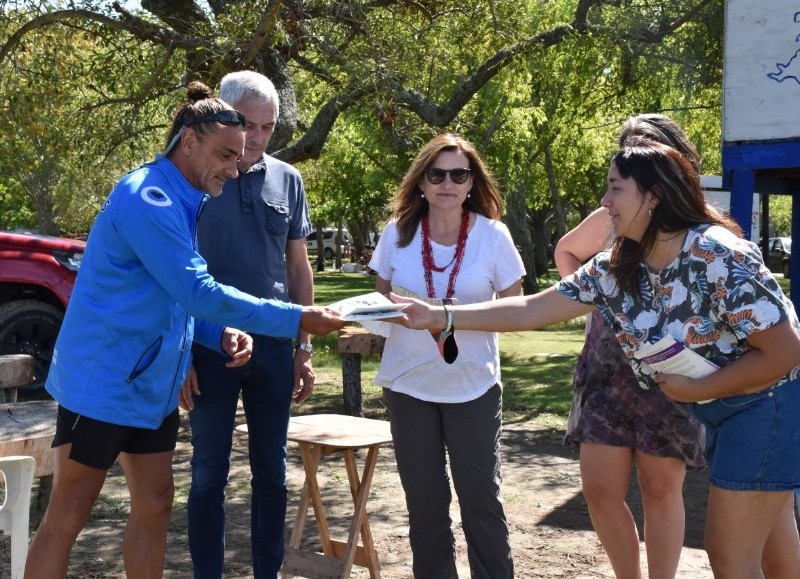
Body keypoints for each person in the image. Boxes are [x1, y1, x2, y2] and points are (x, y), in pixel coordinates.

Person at [391, 137, 800, 579]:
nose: (604, 202)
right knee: (775, 553)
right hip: (721, 410)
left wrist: (698, 390)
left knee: (729, 556)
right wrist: (441, 315)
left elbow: (786, 351)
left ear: (653, 196)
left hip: (767, 408)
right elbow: (532, 308)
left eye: (615, 188)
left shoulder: (716, 253)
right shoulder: (616, 266)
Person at [24, 81, 345, 579]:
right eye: (224, 155)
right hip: (103, 385)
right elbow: (197, 290)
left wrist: (216, 335)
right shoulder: (147, 198)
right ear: (189, 141)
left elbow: (174, 296)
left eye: (238, 159)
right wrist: (298, 318)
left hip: (149, 386)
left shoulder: (185, 197)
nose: (233, 169)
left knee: (154, 504)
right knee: (67, 518)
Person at [552, 114, 706, 579]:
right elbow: (566, 251)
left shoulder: (696, 227)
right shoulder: (611, 214)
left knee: (660, 488)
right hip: (607, 370)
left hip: (671, 371)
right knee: (599, 488)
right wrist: (602, 305)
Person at [177, 71, 315, 578]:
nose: (256, 137)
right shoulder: (192, 179)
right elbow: (174, 278)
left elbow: (298, 268)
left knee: (272, 475)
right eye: (247, 124)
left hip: (276, 347)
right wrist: (185, 352)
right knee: (208, 475)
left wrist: (304, 346)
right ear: (223, 119)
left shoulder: (289, 179)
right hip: (209, 348)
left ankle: (267, 572)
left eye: (268, 126)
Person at [368, 133, 525, 578]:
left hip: (473, 386)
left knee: (482, 502)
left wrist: (443, 316)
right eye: (436, 174)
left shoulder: (494, 236)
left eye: (459, 174)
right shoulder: (397, 233)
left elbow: (514, 312)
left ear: (472, 182)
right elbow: (377, 305)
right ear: (421, 182)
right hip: (408, 384)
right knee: (425, 506)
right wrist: (380, 314)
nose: (447, 183)